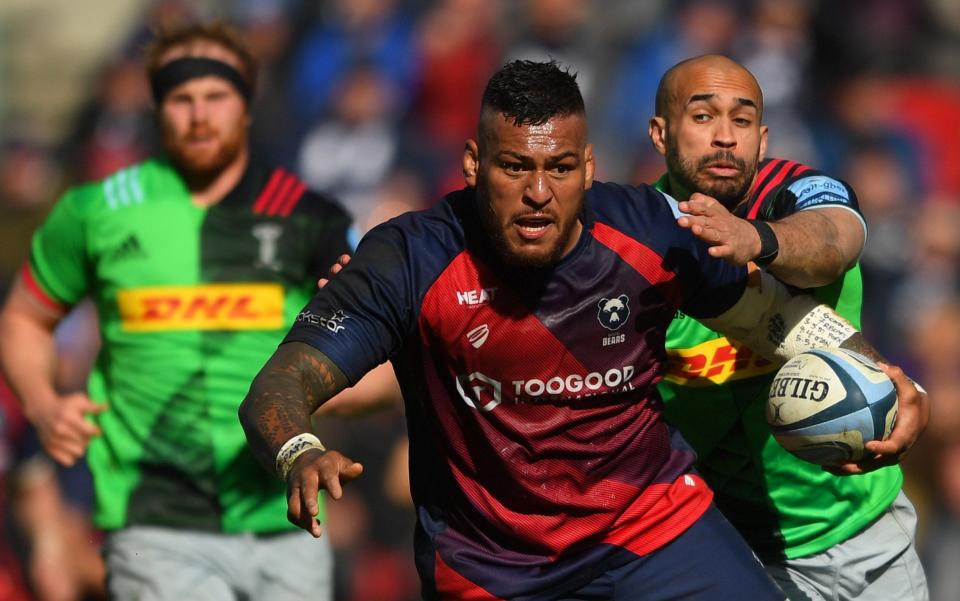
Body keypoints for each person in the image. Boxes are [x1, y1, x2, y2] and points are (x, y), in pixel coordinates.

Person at [238, 59, 927, 601]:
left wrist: (880, 375)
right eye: (516, 167)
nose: (540, 192)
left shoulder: (651, 232)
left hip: (653, 525)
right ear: (475, 164)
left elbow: (775, 318)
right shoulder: (411, 257)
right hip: (493, 565)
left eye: (561, 168)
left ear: (589, 168)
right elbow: (285, 377)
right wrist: (298, 446)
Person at [0, 21, 395, 601]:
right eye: (182, 98)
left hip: (286, 517)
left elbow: (382, 364)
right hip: (152, 523)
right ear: (157, 107)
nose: (200, 115)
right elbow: (24, 319)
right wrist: (41, 402)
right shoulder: (96, 211)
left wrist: (305, 395)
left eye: (217, 97)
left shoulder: (310, 219)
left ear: (247, 106)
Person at [647, 55, 930, 600]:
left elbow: (832, 242)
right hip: (733, 552)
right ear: (661, 133)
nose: (725, 137)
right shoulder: (639, 245)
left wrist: (757, 240)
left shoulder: (798, 189)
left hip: (868, 536)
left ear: (762, 136)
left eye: (743, 120)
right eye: (702, 117)